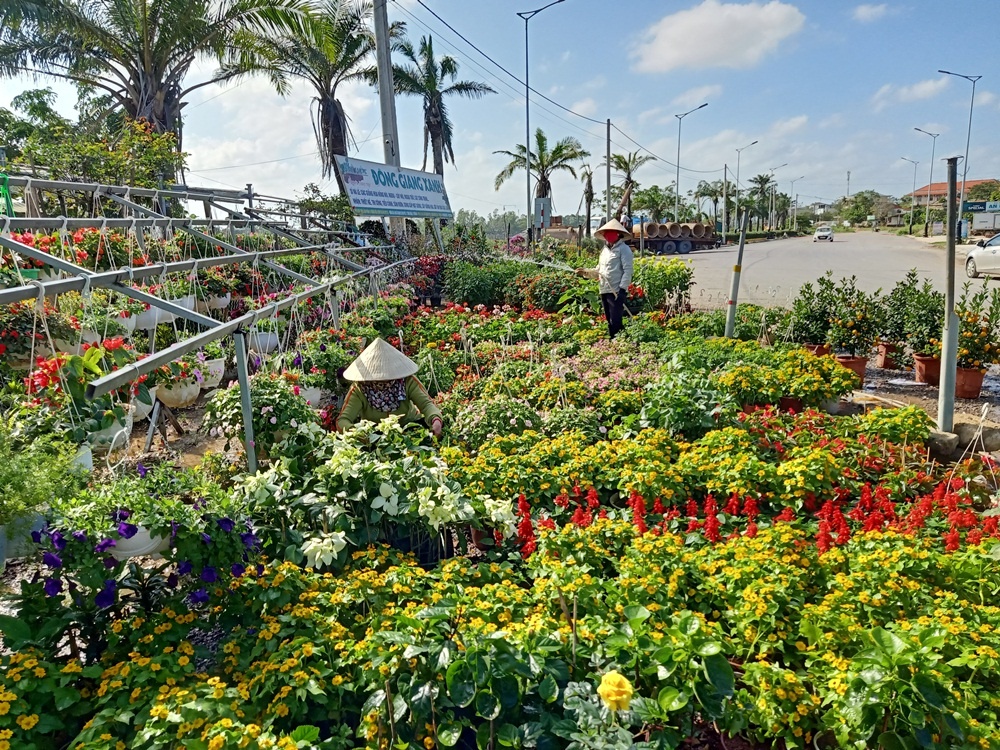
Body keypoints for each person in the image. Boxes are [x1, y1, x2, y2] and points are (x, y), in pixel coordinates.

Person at [336, 337, 443, 435]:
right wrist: (357, 433)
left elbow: (426, 405)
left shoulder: (407, 381)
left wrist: (435, 420)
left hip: (409, 427)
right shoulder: (360, 388)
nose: (384, 380)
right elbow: (343, 420)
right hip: (375, 435)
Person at [577, 218, 634, 339]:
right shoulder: (605, 251)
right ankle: (615, 342)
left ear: (618, 234)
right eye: (606, 233)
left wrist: (622, 290)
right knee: (609, 319)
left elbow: (628, 271)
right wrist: (585, 272)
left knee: (615, 320)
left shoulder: (624, 250)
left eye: (611, 232)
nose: (608, 235)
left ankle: (619, 342)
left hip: (616, 290)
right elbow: (599, 271)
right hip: (604, 289)